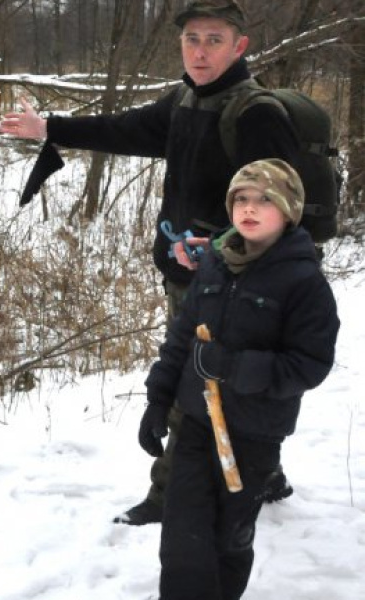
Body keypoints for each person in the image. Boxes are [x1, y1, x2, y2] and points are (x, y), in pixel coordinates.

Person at [0, 0, 302, 525]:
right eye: (191, 39)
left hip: (240, 283)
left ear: (239, 46)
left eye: (213, 39)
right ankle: (265, 472)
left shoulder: (256, 115)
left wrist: (223, 247)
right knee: (215, 382)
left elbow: (280, 207)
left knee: (195, 384)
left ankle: (170, 498)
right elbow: (123, 129)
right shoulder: (185, 100)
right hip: (187, 276)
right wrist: (47, 127)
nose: (200, 50)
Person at [141, 158, 338, 600]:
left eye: (264, 199)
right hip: (194, 425)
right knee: (182, 538)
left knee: (228, 538)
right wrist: (158, 400)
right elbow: (181, 339)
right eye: (241, 199)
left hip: (252, 434)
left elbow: (310, 364)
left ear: (288, 210)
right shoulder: (215, 263)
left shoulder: (303, 281)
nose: (249, 208)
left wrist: (233, 365)